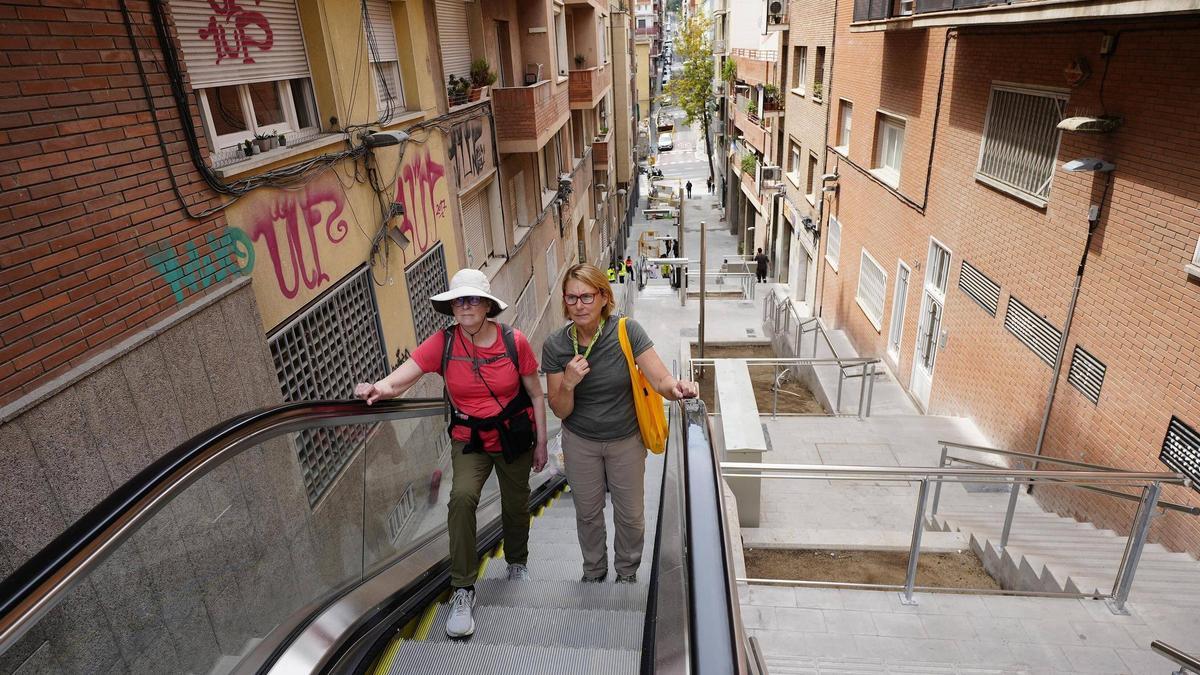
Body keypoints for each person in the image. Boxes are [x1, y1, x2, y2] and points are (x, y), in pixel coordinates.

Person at [354, 268, 547, 639]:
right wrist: (378, 388)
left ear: (487, 305)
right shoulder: (443, 343)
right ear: (451, 307)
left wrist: (541, 442)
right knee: (460, 499)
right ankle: (463, 588)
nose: (465, 306)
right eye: (459, 300)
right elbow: (403, 375)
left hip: (513, 438)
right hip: (469, 439)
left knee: (516, 503)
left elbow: (536, 394)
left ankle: (517, 562)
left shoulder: (514, 342)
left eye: (473, 299)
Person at [543, 264, 698, 584]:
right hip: (580, 441)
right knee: (588, 515)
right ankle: (594, 571)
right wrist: (568, 383)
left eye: (587, 296)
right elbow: (559, 410)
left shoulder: (627, 332)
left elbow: (659, 378)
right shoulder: (556, 345)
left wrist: (676, 388)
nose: (579, 305)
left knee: (631, 517)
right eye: (571, 298)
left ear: (603, 297)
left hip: (626, 441)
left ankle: (626, 573)